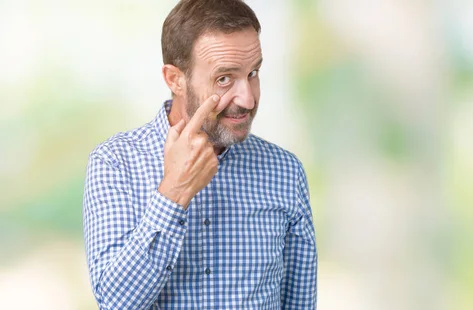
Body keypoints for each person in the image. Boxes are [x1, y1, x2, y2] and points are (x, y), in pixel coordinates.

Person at [82, 0, 317, 308]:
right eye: (224, 79)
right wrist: (175, 192)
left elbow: (299, 304)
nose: (247, 98)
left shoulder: (285, 172)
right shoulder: (114, 164)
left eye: (253, 72)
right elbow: (115, 302)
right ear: (174, 79)